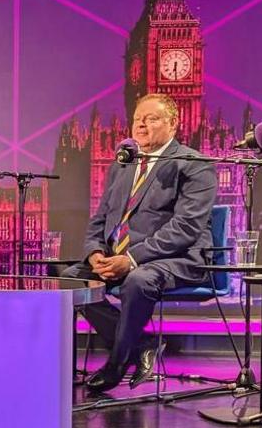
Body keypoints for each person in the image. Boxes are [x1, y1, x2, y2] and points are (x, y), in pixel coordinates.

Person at [63, 93, 215, 394]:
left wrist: (131, 259)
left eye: (152, 118)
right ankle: (142, 344)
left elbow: (185, 227)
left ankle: (117, 362)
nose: (141, 125)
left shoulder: (194, 165)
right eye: (137, 119)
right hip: (120, 257)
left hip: (177, 257)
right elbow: (101, 218)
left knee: (138, 279)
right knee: (70, 280)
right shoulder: (123, 164)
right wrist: (95, 253)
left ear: (173, 124)